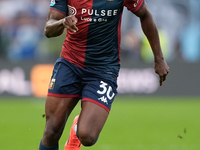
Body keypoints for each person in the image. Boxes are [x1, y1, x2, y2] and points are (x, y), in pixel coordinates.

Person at [39, 0, 170, 150]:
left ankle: (76, 130)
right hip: (70, 64)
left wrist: (159, 58)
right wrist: (62, 22)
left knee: (87, 136)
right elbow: (48, 29)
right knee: (51, 132)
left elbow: (145, 14)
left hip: (103, 69)